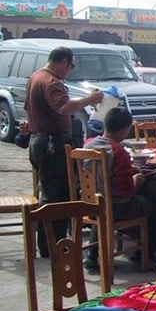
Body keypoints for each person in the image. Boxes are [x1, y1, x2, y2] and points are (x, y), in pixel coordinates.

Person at [25, 46, 104, 257]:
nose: (69, 71)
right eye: (70, 67)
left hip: (39, 140)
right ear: (64, 62)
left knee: (51, 195)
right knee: (57, 198)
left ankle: (49, 244)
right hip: (51, 143)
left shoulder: (35, 77)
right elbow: (64, 107)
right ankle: (54, 245)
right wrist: (91, 99)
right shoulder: (51, 82)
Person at [83, 107, 156, 271]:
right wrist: (136, 180)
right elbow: (127, 192)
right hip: (118, 206)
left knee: (102, 200)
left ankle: (91, 254)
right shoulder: (117, 151)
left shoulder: (88, 144)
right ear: (124, 129)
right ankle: (145, 254)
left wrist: (129, 170)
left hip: (91, 203)